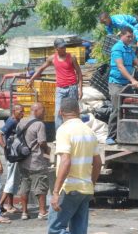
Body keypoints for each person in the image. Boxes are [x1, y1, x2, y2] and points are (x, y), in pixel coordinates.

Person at [48, 98, 102, 234]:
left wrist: (55, 192)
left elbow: (66, 161)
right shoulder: (89, 132)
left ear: (61, 112)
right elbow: (98, 163)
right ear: (78, 111)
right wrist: (92, 185)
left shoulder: (64, 130)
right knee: (79, 230)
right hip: (85, 189)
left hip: (69, 188)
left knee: (55, 229)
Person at [106, 26, 138, 145]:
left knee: (131, 108)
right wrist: (133, 80)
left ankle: (129, 134)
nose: (130, 39)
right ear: (122, 36)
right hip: (116, 83)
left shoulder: (129, 49)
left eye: (132, 37)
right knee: (116, 109)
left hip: (127, 83)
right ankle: (111, 136)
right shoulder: (117, 48)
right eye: (128, 37)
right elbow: (120, 66)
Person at [27, 38, 83, 130]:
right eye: (61, 47)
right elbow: (41, 69)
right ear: (56, 48)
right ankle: (59, 135)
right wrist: (31, 79)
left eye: (64, 46)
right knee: (58, 112)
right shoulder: (52, 58)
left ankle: (75, 132)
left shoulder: (72, 57)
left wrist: (80, 89)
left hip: (72, 87)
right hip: (60, 89)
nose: (64, 48)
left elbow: (79, 73)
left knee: (73, 111)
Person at [17, 102, 50, 220]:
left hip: (22, 160)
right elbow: (41, 142)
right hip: (36, 160)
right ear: (36, 110)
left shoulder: (21, 122)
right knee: (41, 185)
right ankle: (42, 211)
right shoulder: (39, 124)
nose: (44, 113)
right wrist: (48, 149)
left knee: (24, 186)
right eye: (43, 110)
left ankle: (24, 212)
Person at [0, 104, 24, 213]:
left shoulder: (15, 121)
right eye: (20, 111)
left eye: (23, 111)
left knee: (14, 180)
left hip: (14, 155)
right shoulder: (11, 121)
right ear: (14, 111)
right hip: (12, 156)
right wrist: (5, 147)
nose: (22, 113)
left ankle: (10, 205)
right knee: (11, 181)